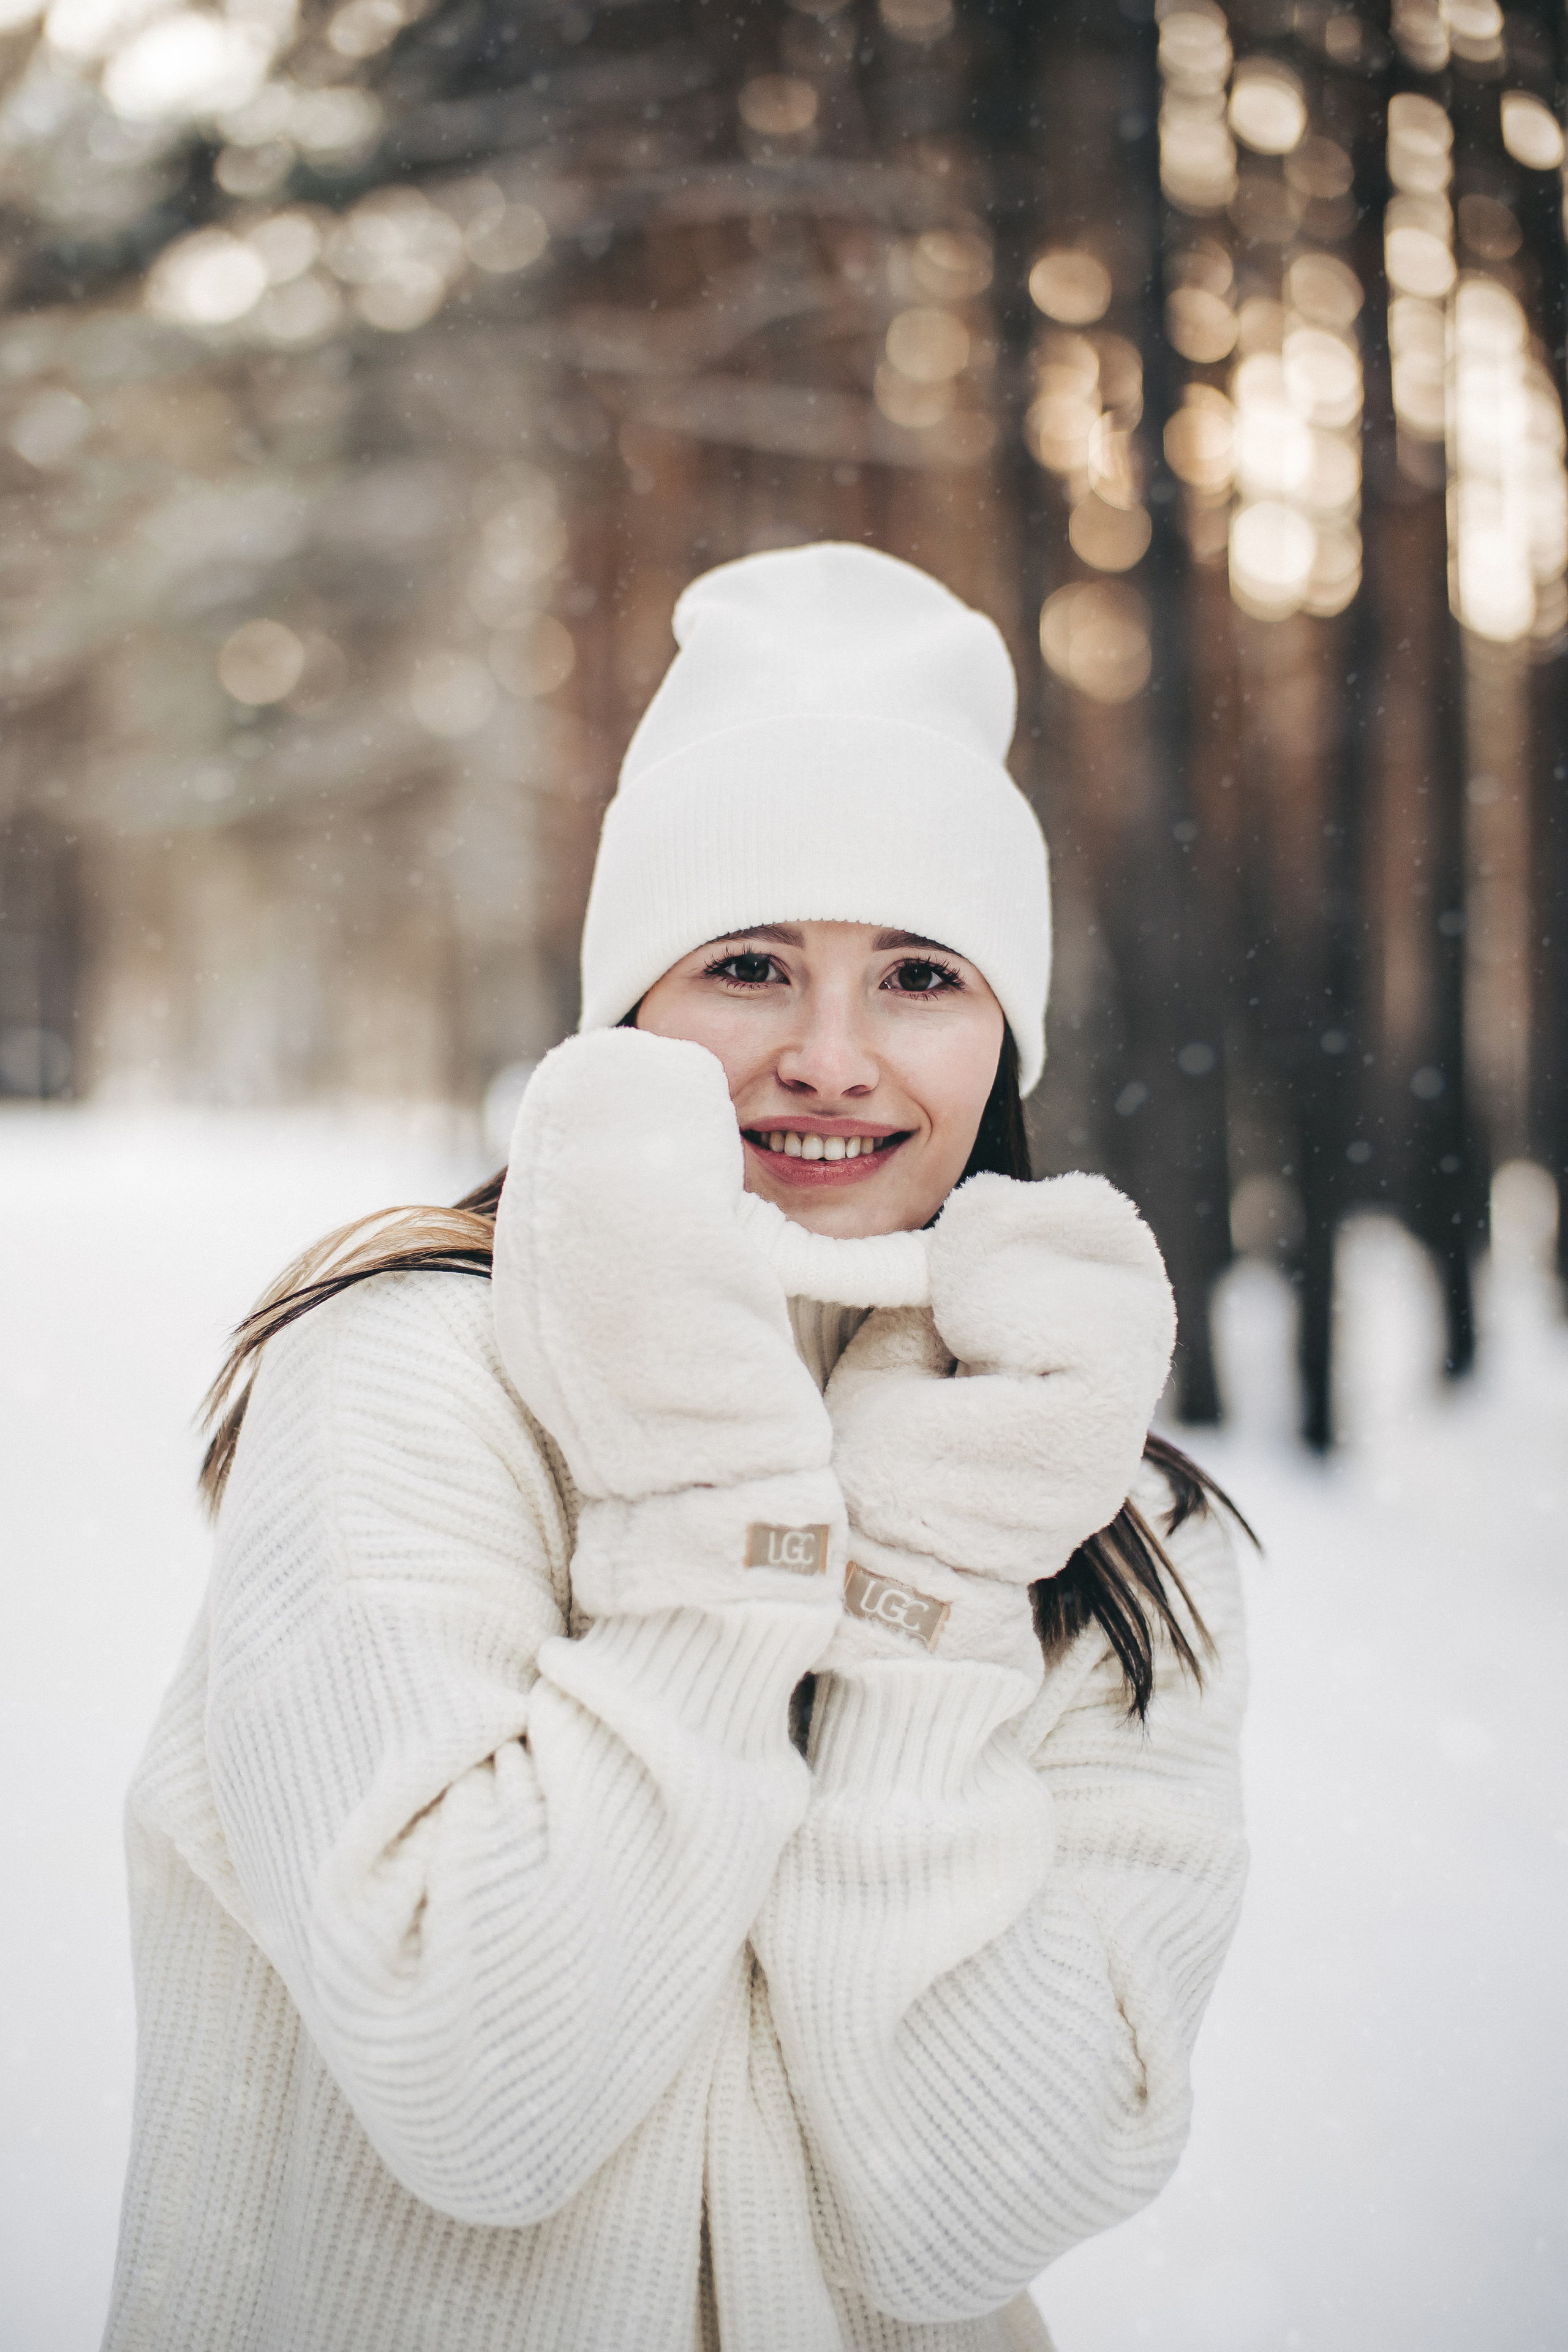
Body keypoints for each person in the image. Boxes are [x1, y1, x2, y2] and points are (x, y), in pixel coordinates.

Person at [102, 544, 1249, 2352]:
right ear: (626, 1012)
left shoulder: (1099, 1507)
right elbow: (482, 2096)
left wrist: (923, 1596)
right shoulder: (410, 1375)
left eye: (921, 978)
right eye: (749, 964)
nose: (830, 1057)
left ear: (1006, 1033)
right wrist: (725, 1532)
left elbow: (970, 2219)